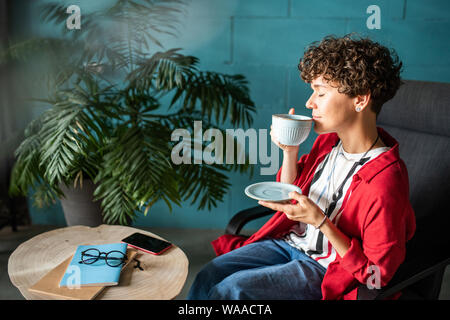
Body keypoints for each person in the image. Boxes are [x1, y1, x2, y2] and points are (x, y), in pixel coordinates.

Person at [187, 34, 416, 300]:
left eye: (321, 92)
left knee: (232, 291)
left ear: (360, 100)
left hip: (324, 266)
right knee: (210, 273)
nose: (309, 103)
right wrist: (289, 150)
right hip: (288, 243)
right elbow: (290, 191)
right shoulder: (328, 144)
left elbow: (377, 274)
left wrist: (321, 221)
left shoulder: (385, 180)